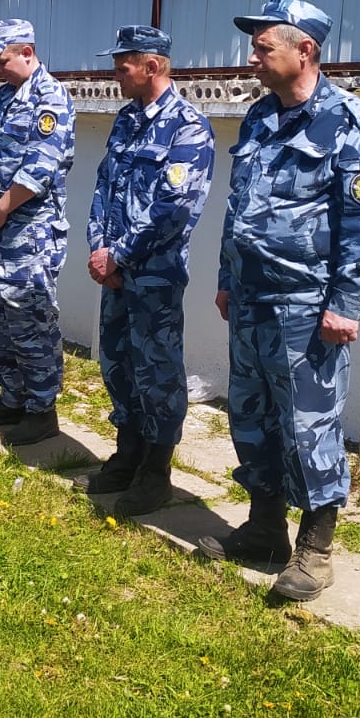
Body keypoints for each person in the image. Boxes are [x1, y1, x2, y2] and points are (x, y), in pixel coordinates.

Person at [197, 0, 360, 602]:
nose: (252, 59)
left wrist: (348, 303)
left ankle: (316, 550)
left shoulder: (351, 122)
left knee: (309, 425)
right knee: (252, 417)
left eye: (264, 48)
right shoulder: (261, 117)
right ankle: (263, 529)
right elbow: (239, 210)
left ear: (304, 50)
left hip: (308, 304)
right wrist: (228, 277)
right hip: (253, 298)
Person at [86, 25, 215, 516]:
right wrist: (99, 248)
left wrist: (118, 254)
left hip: (154, 275)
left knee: (156, 371)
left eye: (123, 67)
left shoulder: (188, 126)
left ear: (151, 67)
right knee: (118, 363)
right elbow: (103, 189)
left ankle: (155, 472)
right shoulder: (126, 120)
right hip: (114, 270)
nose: (115, 74)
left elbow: (175, 206)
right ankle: (128, 453)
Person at [0, 19, 75, 446]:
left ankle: (41, 408)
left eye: (2, 59)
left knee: (29, 316)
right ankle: (12, 397)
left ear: (27, 52)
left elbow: (39, 170)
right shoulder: (5, 97)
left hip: (31, 229)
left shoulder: (50, 98)